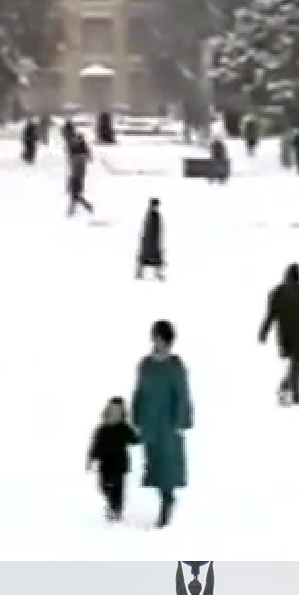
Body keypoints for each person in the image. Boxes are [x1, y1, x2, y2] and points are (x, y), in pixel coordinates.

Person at [132, 319, 193, 529]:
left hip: (167, 423)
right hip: (150, 422)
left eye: (161, 339)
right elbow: (138, 391)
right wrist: (136, 416)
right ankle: (164, 496)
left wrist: (181, 419)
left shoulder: (175, 367)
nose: (157, 342)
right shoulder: (145, 365)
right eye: (155, 338)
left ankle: (167, 502)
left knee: (167, 465)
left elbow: (183, 394)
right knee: (154, 463)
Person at [258, 263, 299, 406]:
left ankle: (289, 390)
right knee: (297, 363)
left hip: (287, 335)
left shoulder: (278, 292)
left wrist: (264, 331)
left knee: (295, 364)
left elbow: (271, 314)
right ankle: (291, 392)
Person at [87, 397, 139, 522]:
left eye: (118, 410)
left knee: (117, 488)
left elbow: (134, 440)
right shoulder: (102, 428)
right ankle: (112, 506)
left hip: (119, 463)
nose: (115, 413)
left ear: (122, 412)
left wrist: (141, 436)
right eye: (112, 409)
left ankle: (116, 511)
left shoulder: (124, 427)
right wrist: (91, 459)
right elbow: (95, 445)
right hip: (105, 463)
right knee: (104, 486)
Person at [135, 198, 165, 279]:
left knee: (155, 257)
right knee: (146, 256)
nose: (156, 207)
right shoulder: (151, 215)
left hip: (154, 240)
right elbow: (147, 228)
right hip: (149, 239)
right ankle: (139, 272)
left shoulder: (155, 215)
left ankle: (157, 273)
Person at [67, 131, 94, 215]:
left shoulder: (75, 151)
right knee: (75, 193)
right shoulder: (82, 151)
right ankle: (76, 208)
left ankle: (83, 207)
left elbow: (71, 158)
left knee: (75, 193)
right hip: (78, 173)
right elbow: (89, 157)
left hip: (77, 173)